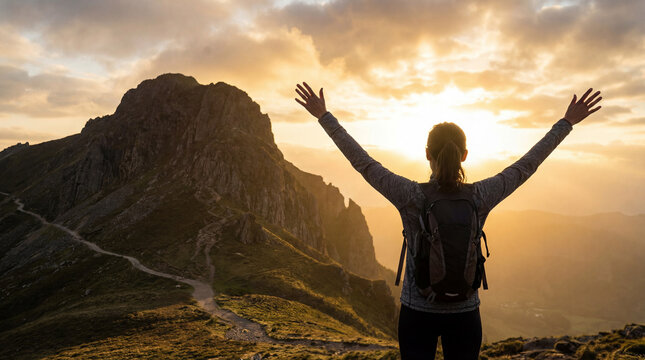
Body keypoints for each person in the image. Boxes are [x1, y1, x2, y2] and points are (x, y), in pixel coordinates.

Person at [294, 82, 602, 360]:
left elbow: (362, 162)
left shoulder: (409, 195)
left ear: (427, 153)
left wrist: (324, 116)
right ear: (465, 155)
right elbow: (526, 166)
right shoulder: (481, 195)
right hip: (465, 313)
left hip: (417, 311)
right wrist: (566, 123)